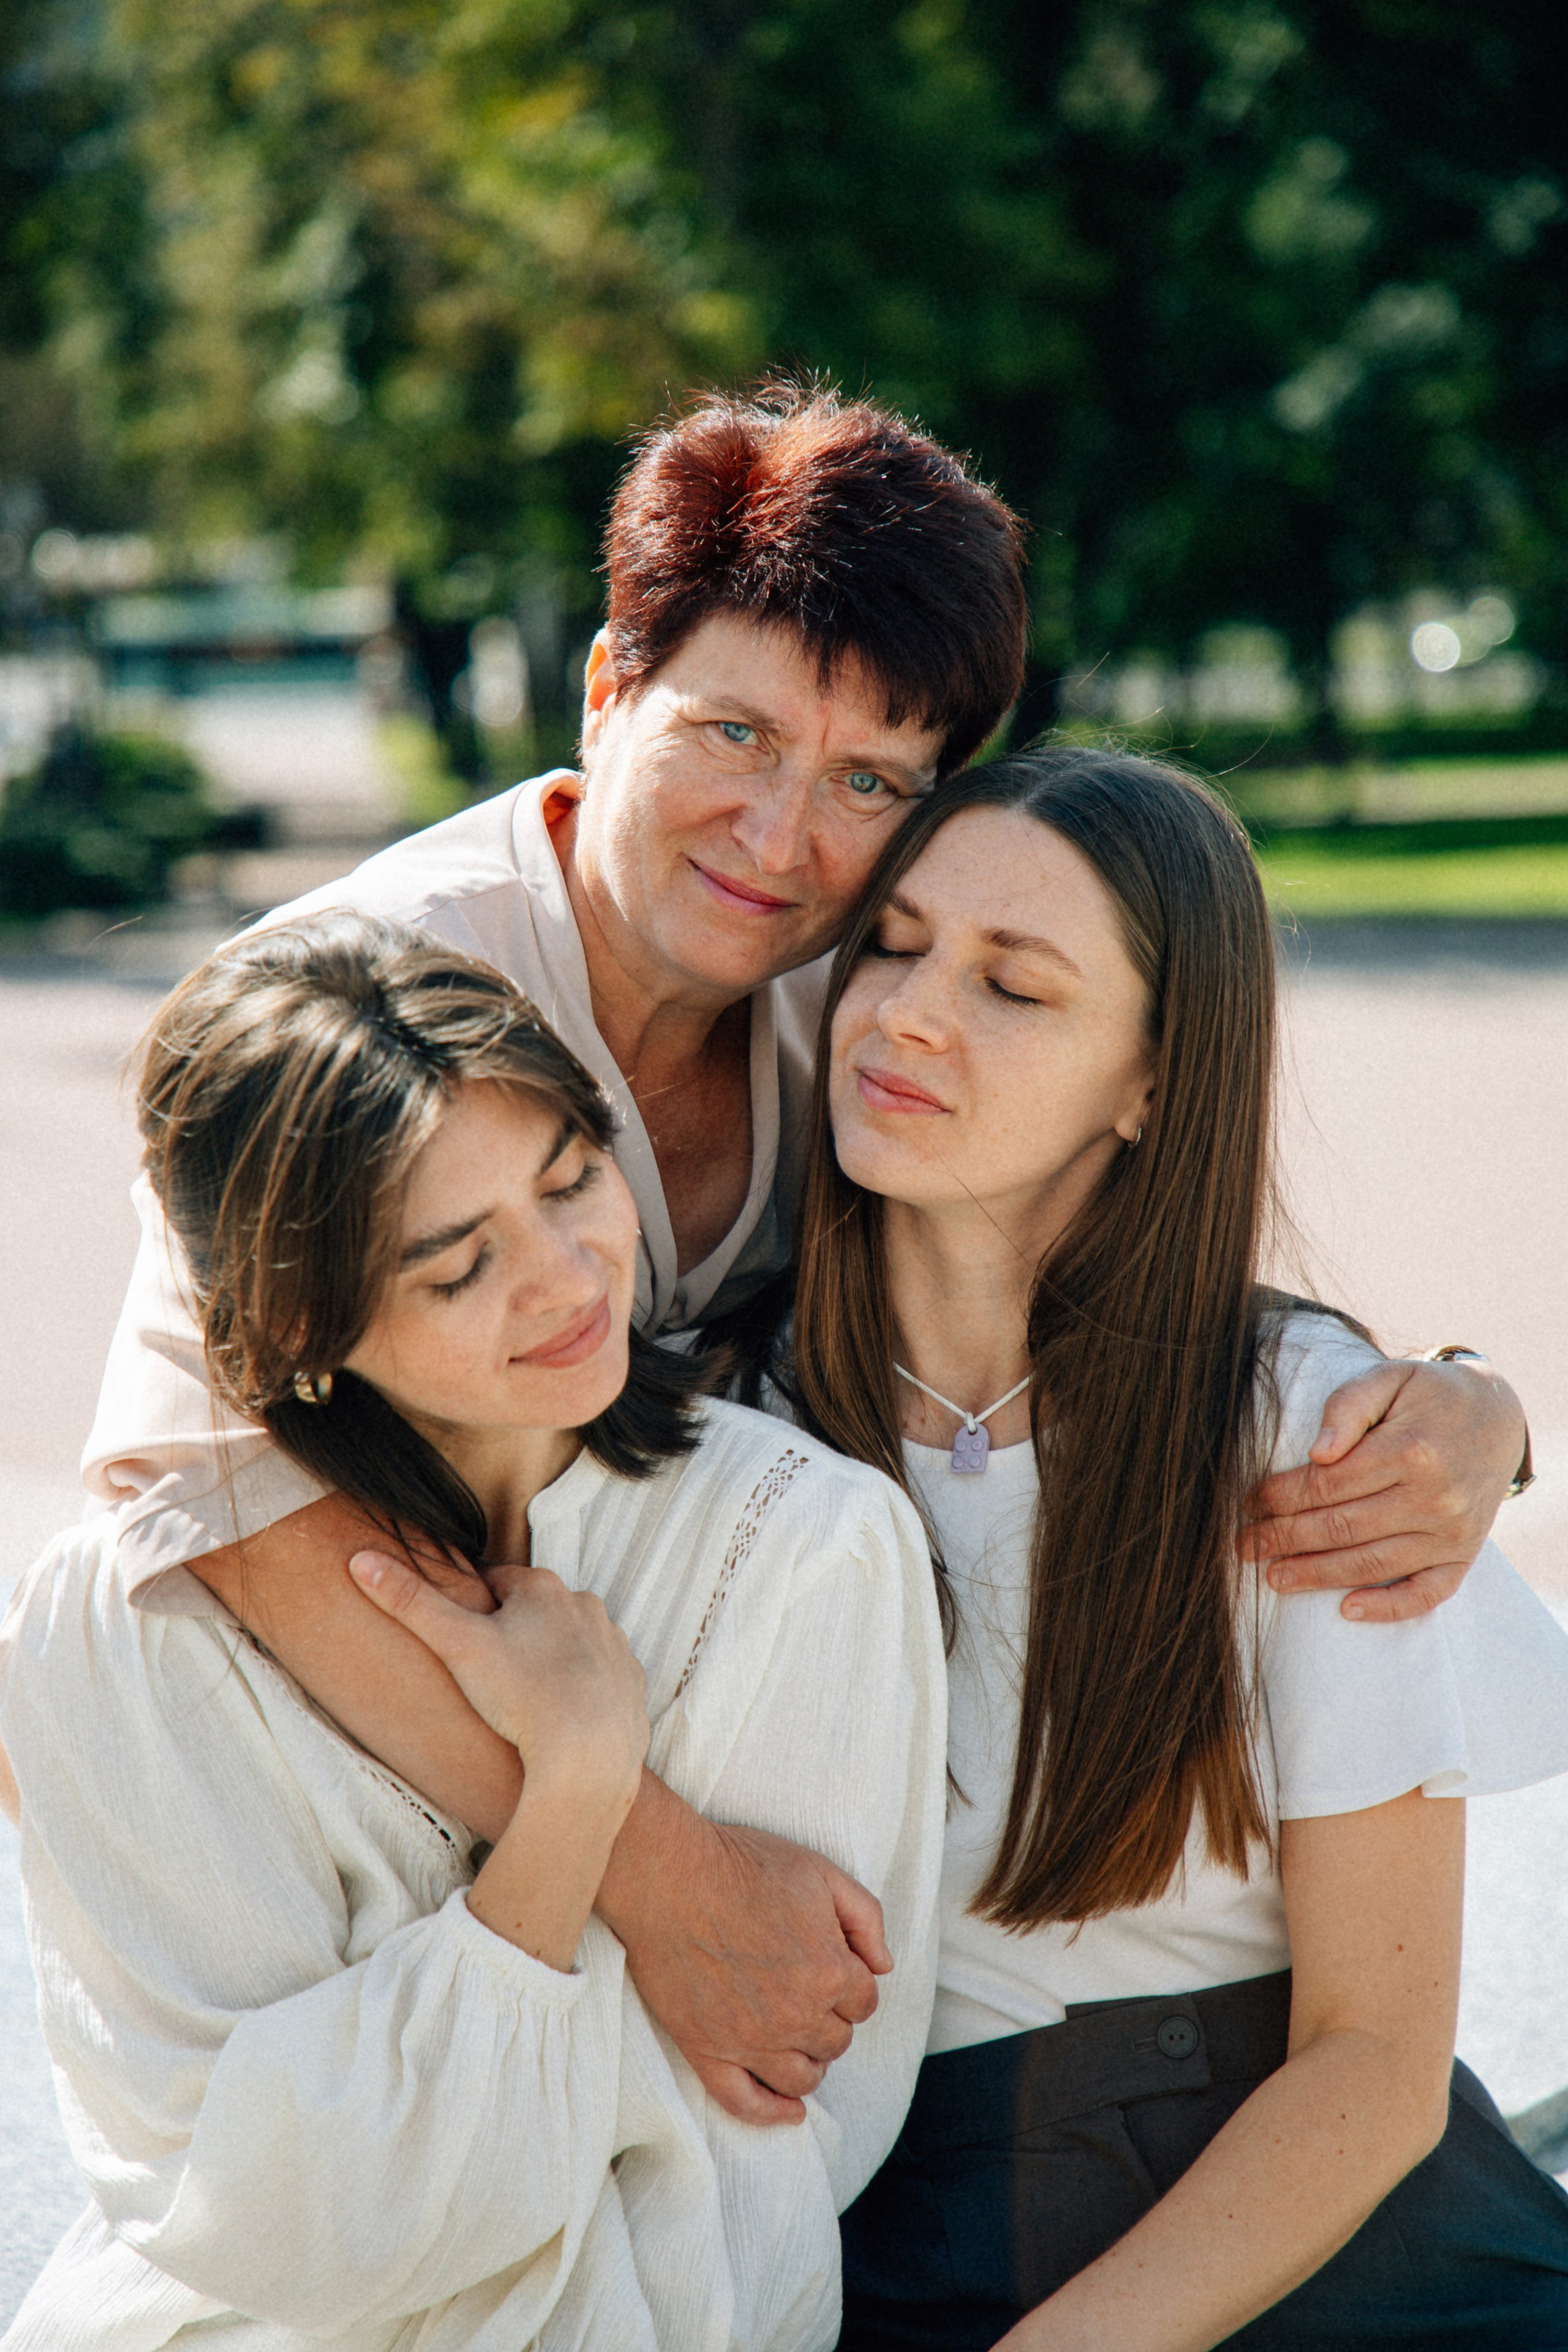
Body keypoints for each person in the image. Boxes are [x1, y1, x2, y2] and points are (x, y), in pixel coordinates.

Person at [75, 381, 1529, 2118]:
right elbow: (209, 1503)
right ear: (610, 690)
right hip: (361, 1831)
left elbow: (1106, 1202)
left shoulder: (856, 987)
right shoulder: (353, 1007)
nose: (782, 841)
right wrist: (657, 1876)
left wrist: (1455, 1408)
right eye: (735, 738)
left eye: (868, 783)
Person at [0, 918, 947, 2351]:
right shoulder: (112, 1629)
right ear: (296, 1329)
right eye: (458, 1268)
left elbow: (765, 2132)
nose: (569, 1279)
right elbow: (246, 2199)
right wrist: (575, 1791)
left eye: (573, 1179)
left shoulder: (804, 1550)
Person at [761, 744, 1568, 2349]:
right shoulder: (738, 1431)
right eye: (899, 943)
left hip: (1333, 2255)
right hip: (889, 2241)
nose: (910, 1012)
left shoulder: (1308, 1431)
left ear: (1151, 1080)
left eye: (1018, 986)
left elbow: (1375, 2064)